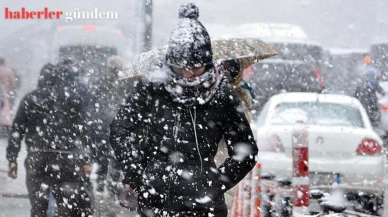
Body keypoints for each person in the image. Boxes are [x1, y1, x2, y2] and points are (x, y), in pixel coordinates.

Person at [110, 3, 258, 217]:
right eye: (181, 69)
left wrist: (215, 183)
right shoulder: (152, 87)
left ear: (207, 64)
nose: (188, 76)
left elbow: (246, 151)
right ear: (169, 63)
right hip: (155, 202)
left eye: (195, 68)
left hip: (204, 207)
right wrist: (137, 172)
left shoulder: (221, 95)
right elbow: (121, 129)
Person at [6, 62, 93, 217]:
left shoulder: (31, 98)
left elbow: (17, 130)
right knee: (66, 206)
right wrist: (86, 159)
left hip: (38, 156)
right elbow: (84, 130)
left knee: (38, 206)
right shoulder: (73, 98)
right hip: (67, 158)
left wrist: (12, 160)